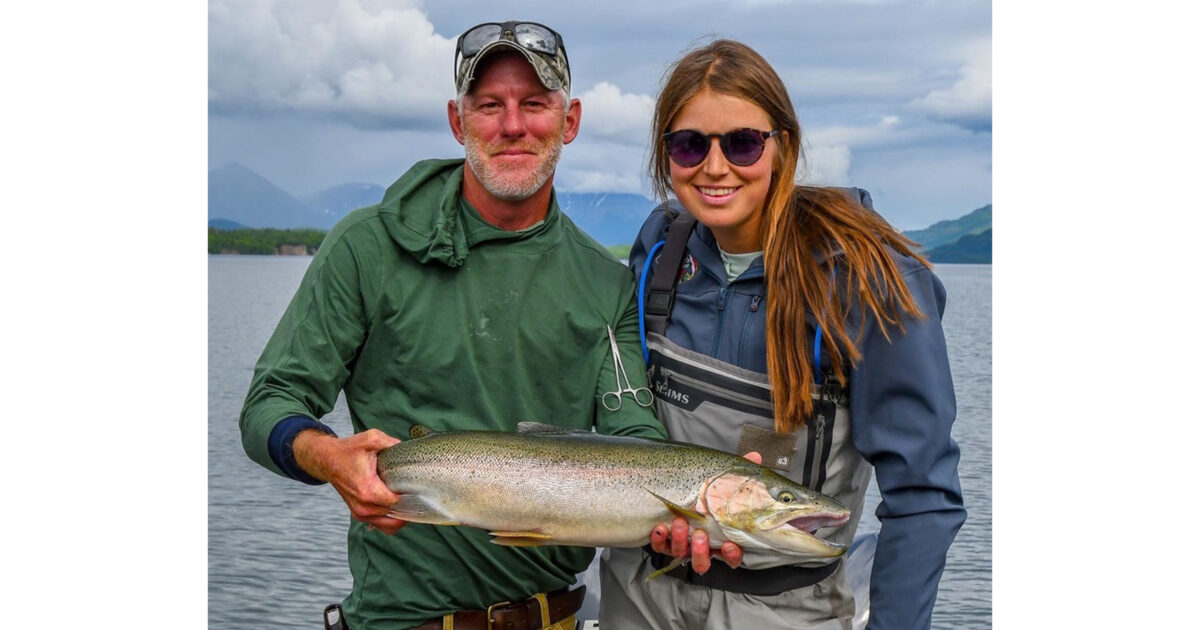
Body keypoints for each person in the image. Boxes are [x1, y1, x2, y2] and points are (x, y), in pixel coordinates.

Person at [238, 21, 671, 630]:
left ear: (569, 121)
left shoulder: (606, 282)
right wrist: (327, 454)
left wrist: (704, 507)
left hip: (556, 619)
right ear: (456, 119)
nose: (513, 125)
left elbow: (635, 438)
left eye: (535, 104)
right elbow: (267, 407)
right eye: (489, 105)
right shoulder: (368, 248)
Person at [598, 39, 967, 630]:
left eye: (742, 142)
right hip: (637, 597)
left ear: (783, 146)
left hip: (784, 611)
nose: (714, 167)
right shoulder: (657, 254)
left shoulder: (873, 280)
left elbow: (923, 495)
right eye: (690, 144)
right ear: (665, 153)